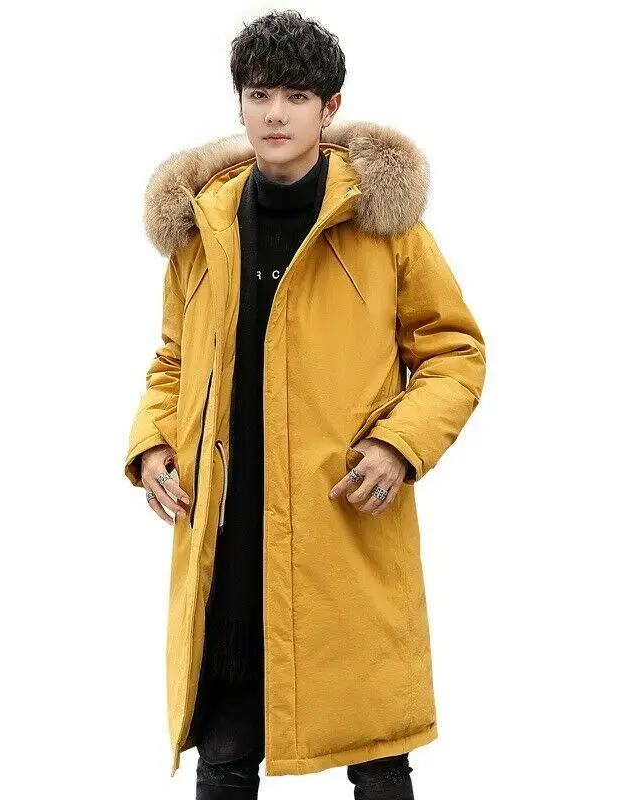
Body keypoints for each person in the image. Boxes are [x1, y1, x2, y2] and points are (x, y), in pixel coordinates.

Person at [124, 10, 486, 800]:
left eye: (296, 96)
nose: (276, 114)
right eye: (260, 95)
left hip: (341, 528)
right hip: (228, 535)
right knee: (224, 754)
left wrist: (398, 445)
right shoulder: (205, 227)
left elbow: (453, 353)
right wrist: (152, 444)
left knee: (378, 753)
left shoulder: (384, 227)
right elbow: (173, 360)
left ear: (330, 108)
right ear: (240, 104)